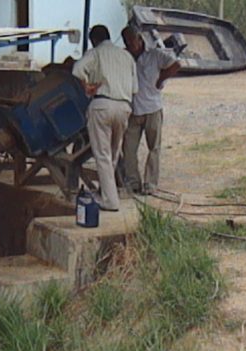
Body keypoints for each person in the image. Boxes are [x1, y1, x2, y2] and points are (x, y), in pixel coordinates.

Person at [72, 25, 137, 211]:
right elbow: (134, 89)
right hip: (124, 107)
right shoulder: (127, 56)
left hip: (102, 105)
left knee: (102, 155)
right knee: (113, 154)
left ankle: (110, 201)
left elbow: (77, 70)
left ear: (94, 40)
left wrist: (86, 86)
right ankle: (105, 193)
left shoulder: (96, 52)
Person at [122, 27, 182, 195]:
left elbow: (176, 64)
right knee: (128, 149)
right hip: (133, 110)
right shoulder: (124, 57)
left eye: (131, 41)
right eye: (126, 41)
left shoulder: (155, 54)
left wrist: (161, 79)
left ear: (139, 39)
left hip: (153, 108)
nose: (129, 44)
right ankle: (133, 182)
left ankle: (150, 184)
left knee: (153, 147)